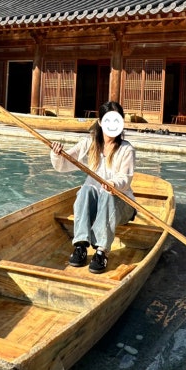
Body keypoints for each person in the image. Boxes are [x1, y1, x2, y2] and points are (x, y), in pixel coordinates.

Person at [50, 101, 136, 273]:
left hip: (121, 204)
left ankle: (101, 251)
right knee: (86, 190)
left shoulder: (126, 149)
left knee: (108, 194)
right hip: (96, 205)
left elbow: (125, 179)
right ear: (100, 122)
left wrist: (113, 184)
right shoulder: (89, 144)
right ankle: (81, 245)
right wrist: (57, 153)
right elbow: (64, 164)